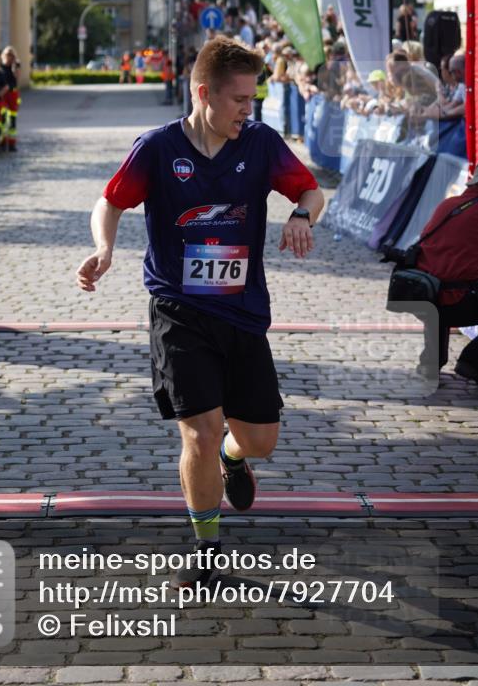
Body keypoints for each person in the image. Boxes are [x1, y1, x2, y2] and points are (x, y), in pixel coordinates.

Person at [76, 36, 324, 585]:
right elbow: (111, 201)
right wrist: (104, 247)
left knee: (258, 438)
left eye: (252, 100)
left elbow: (310, 191)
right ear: (202, 93)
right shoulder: (159, 148)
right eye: (238, 99)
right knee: (201, 432)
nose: (247, 109)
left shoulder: (260, 143)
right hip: (178, 309)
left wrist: (303, 216)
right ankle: (207, 548)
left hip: (242, 314)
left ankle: (236, 460)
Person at [415, 156, 478, 388]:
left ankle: (431, 365)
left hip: (420, 294)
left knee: (442, 290)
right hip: (457, 299)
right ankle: (475, 362)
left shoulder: (448, 205)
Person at [0, 46, 21, 152]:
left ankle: (12, 143)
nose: (9, 57)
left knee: (12, 120)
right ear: (4, 55)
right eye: (8, 55)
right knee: (3, 119)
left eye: (11, 55)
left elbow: (17, 77)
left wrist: (14, 67)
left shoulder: (16, 66)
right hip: (3, 94)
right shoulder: (0, 67)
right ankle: (3, 142)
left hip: (13, 94)